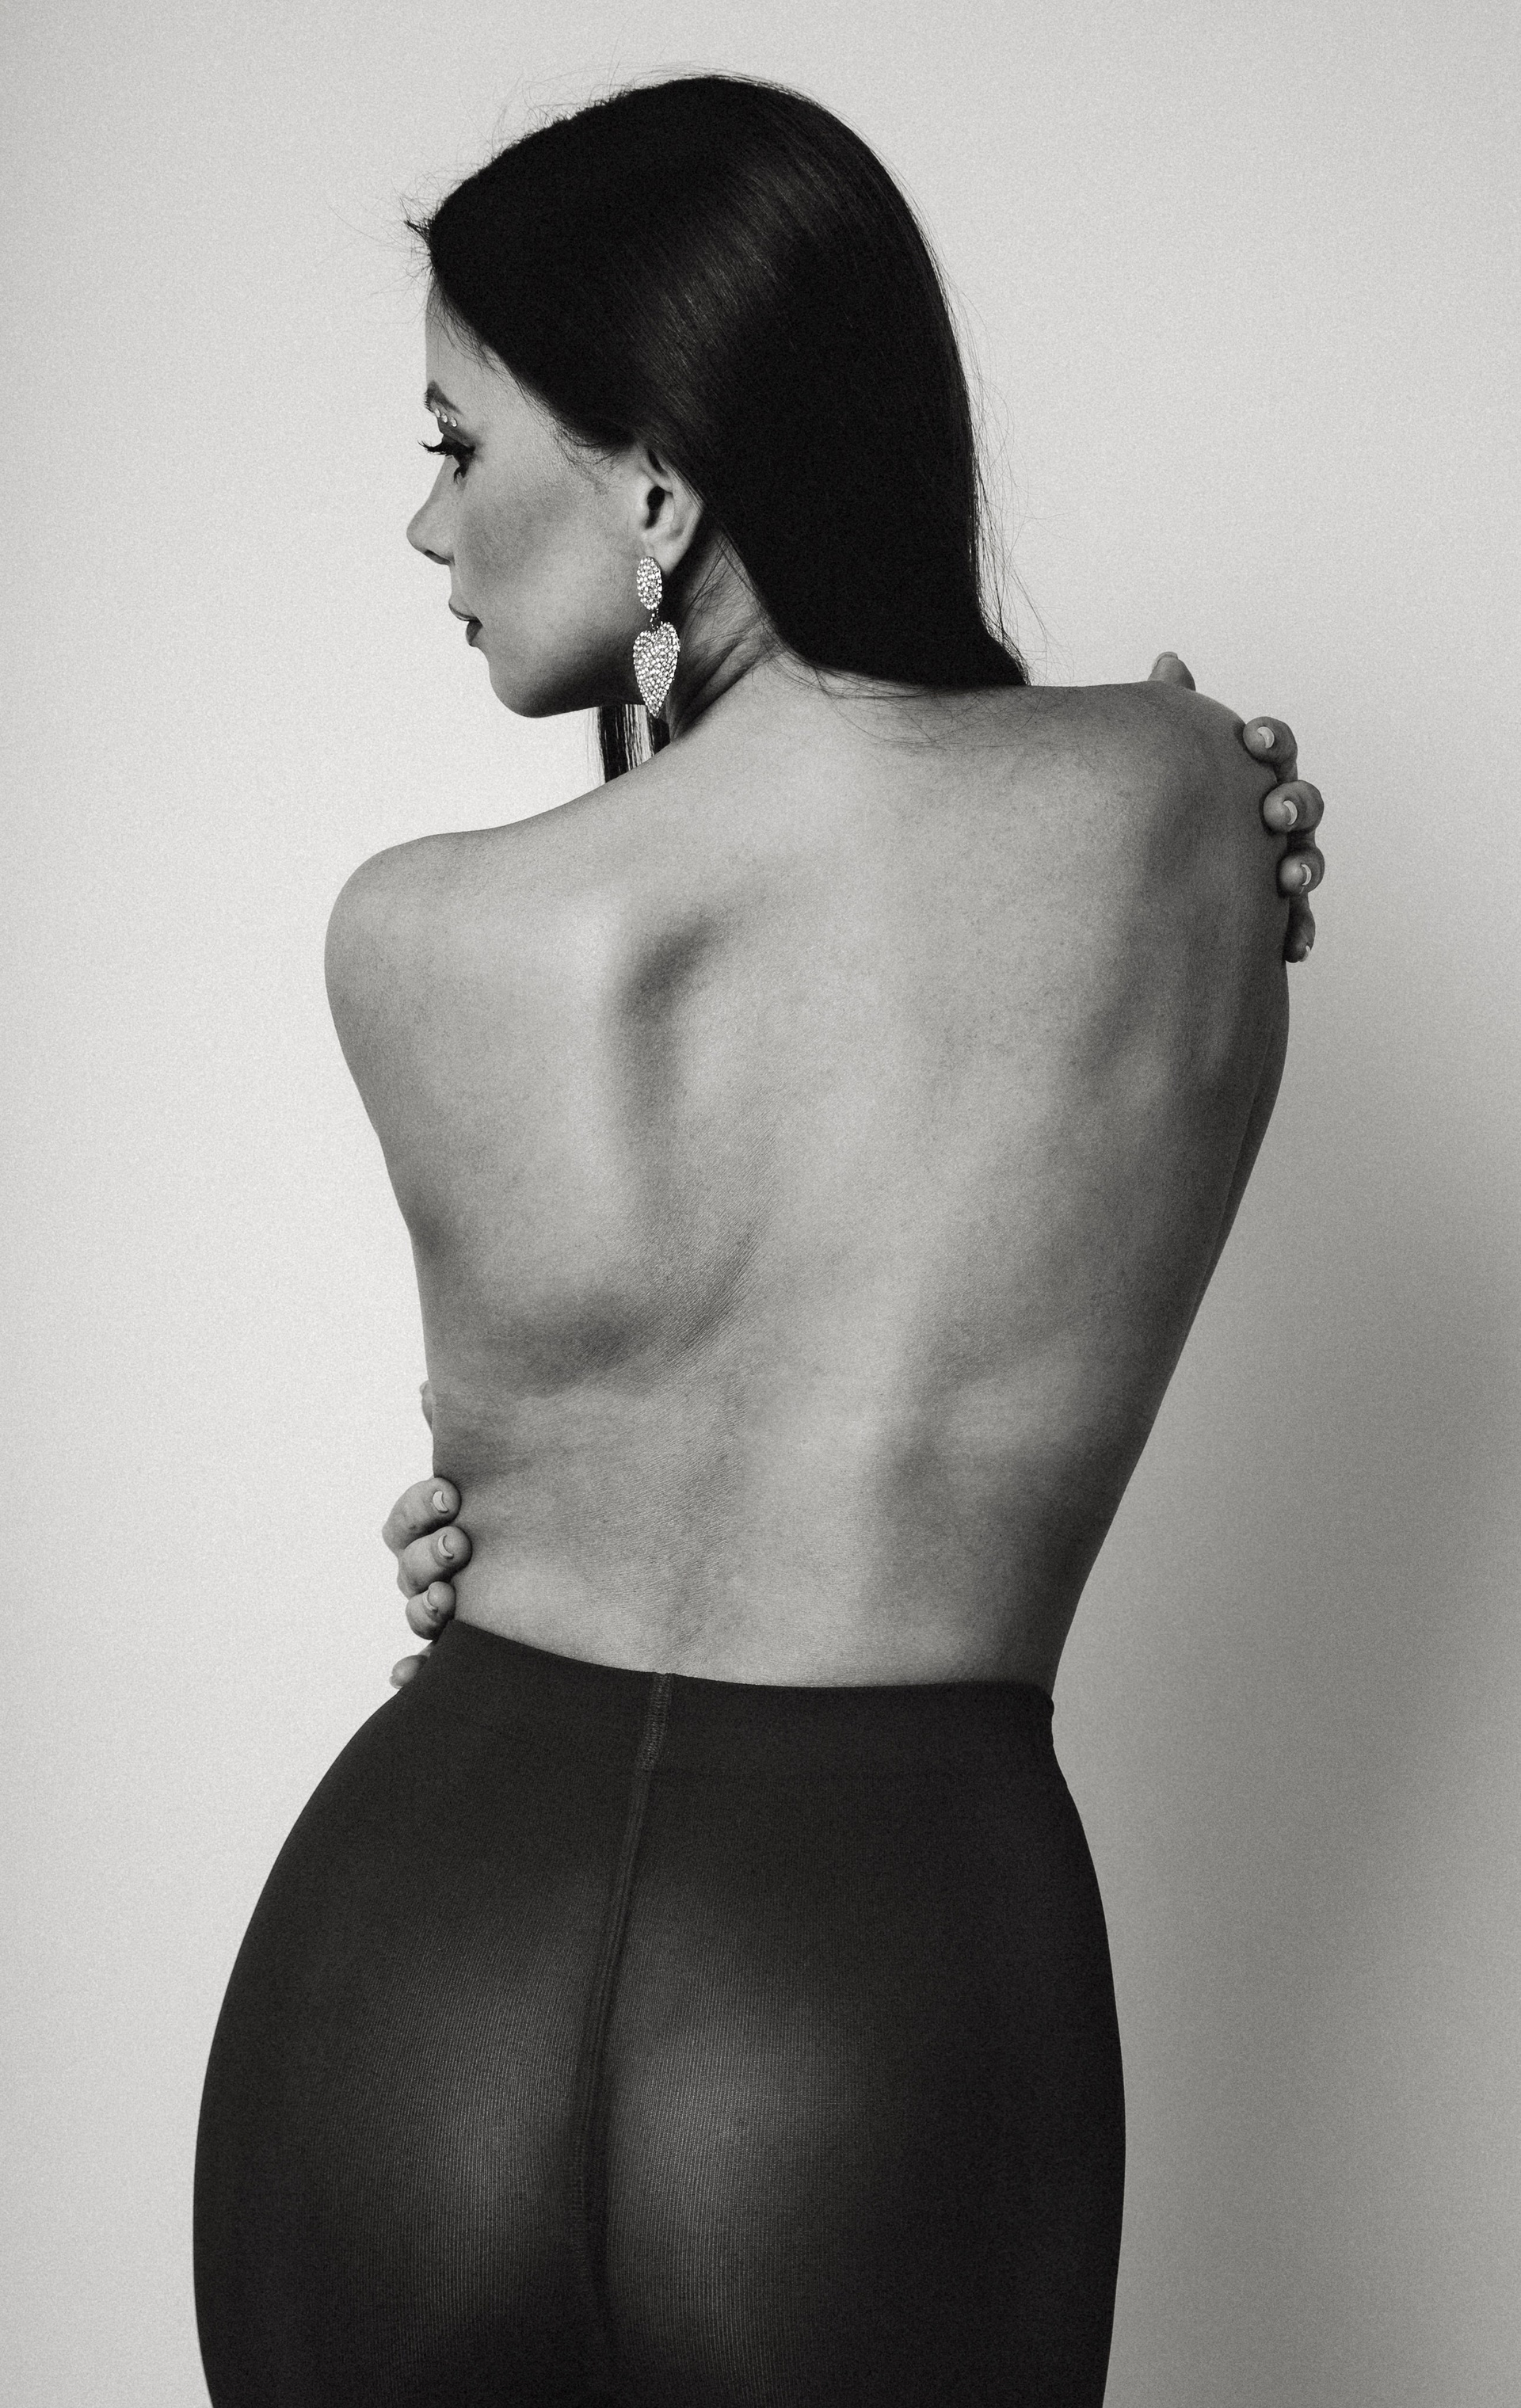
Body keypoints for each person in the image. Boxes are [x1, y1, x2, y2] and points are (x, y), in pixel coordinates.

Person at [193, 73, 1326, 2408]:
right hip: (880, 1980)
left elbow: (543, 1463)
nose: (427, 520)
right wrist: (1222, 816)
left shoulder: (420, 936)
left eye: (457, 441)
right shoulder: (1183, 804)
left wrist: (488, 1540)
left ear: (658, 488)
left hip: (419, 1939)